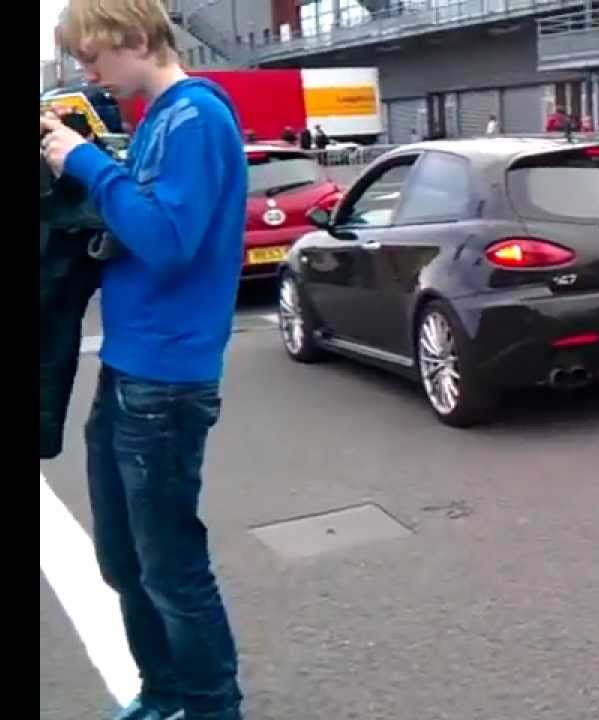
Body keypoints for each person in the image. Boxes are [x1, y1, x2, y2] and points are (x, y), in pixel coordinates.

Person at [41, 2, 247, 719]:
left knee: (171, 570)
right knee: (125, 564)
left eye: (90, 55)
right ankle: (164, 694)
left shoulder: (192, 118)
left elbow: (166, 238)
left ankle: (214, 708)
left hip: (166, 378)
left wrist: (88, 163)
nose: (85, 71)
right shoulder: (161, 118)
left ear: (133, 37)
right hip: (133, 370)